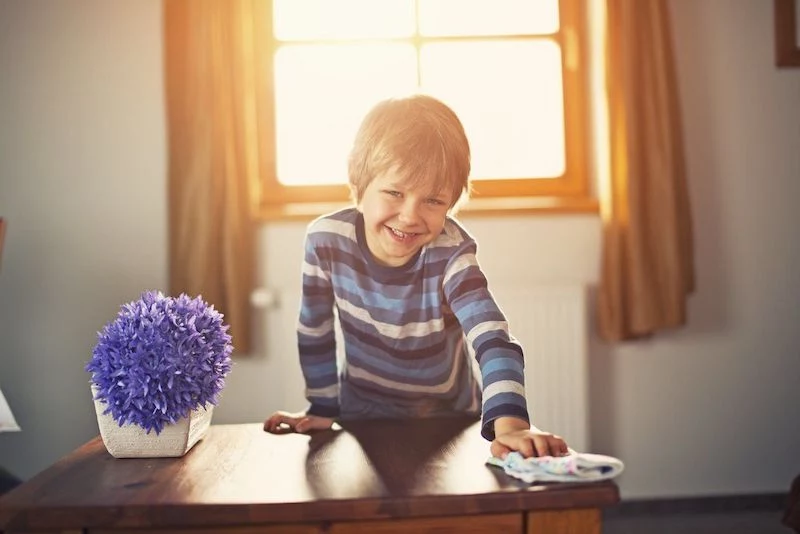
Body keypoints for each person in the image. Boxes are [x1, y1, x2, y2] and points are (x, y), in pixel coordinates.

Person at [264, 94, 569, 459]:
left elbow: (492, 337)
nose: (410, 216)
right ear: (359, 187)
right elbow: (314, 327)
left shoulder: (452, 255)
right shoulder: (325, 241)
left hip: (451, 422)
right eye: (394, 192)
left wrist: (511, 425)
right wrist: (322, 407)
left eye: (433, 201)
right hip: (362, 417)